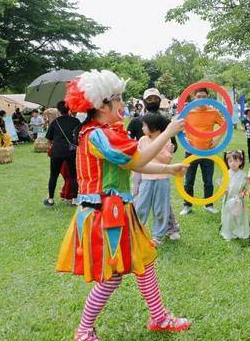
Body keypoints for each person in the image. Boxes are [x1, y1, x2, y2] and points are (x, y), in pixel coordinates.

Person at [56, 69, 190, 339]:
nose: (122, 104)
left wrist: (170, 168)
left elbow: (132, 165)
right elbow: (138, 160)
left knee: (145, 262)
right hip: (105, 215)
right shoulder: (97, 135)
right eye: (117, 99)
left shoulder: (102, 132)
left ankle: (159, 318)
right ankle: (84, 331)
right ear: (102, 106)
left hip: (117, 212)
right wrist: (168, 132)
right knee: (112, 276)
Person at [129, 88, 180, 239]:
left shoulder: (164, 121)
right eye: (149, 99)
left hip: (161, 173)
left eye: (155, 99)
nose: (152, 102)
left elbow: (172, 145)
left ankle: (169, 229)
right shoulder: (136, 122)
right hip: (141, 169)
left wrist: (166, 148)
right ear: (144, 101)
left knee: (161, 203)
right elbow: (129, 143)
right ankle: (137, 231)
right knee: (139, 199)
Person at [180, 88, 226, 216]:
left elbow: (225, 125)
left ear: (207, 97)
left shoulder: (213, 111)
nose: (201, 99)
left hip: (208, 152)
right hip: (191, 151)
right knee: (189, 180)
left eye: (203, 96)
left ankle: (209, 205)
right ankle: (187, 205)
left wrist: (216, 140)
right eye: (198, 96)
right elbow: (178, 127)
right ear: (194, 97)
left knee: (208, 180)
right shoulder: (187, 111)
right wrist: (185, 138)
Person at [134, 113, 176, 247]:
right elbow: (139, 157)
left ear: (154, 127)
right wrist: (156, 149)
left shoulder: (166, 140)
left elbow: (167, 160)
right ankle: (137, 233)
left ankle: (158, 237)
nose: (142, 128)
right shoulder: (142, 140)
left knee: (160, 209)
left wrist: (153, 148)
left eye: (144, 126)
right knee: (141, 207)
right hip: (146, 178)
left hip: (162, 179)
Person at [43, 101, 80, 207]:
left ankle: (50, 199)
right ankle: (74, 199)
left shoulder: (55, 122)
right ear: (69, 109)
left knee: (53, 175)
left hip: (57, 152)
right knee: (73, 175)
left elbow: (49, 139)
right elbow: (79, 137)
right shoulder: (76, 121)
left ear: (58, 111)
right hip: (71, 151)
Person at [220, 150, 250, 240]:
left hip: (238, 199)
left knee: (239, 216)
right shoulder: (226, 174)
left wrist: (243, 192)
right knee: (228, 216)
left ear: (240, 162)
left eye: (235, 161)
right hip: (228, 198)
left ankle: (240, 231)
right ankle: (228, 232)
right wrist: (224, 190)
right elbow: (223, 185)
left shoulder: (243, 174)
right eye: (230, 161)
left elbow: (246, 187)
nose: (233, 163)